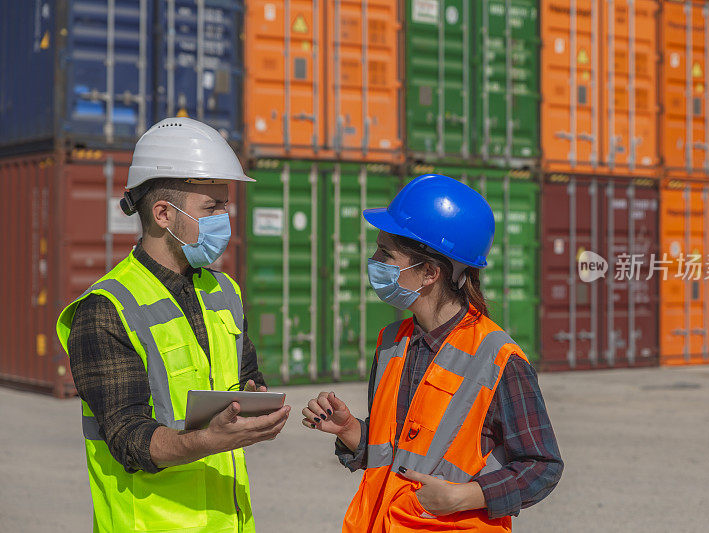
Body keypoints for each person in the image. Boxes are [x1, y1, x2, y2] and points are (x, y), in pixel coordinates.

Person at [56, 117, 291, 533]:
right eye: (213, 207)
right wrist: (210, 439)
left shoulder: (224, 291)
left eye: (226, 204)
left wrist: (256, 404)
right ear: (164, 213)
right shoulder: (106, 309)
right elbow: (128, 438)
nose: (225, 217)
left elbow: (246, 377)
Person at [302, 174, 564, 531]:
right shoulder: (392, 342)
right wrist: (351, 431)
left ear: (428, 273)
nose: (373, 261)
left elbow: (542, 466)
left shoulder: (498, 358)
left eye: (386, 253)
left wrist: (464, 496)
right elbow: (398, 456)